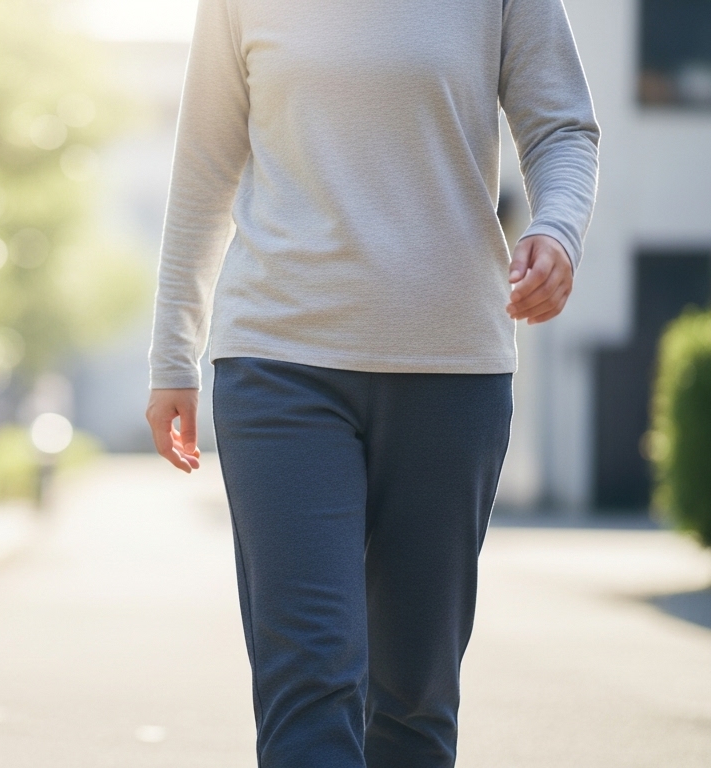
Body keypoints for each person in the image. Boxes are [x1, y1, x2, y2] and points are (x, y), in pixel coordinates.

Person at [143, 1, 599, 766]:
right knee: (309, 678)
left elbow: (561, 127)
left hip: (451, 371)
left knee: (414, 698)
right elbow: (204, 167)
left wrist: (557, 229)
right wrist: (171, 358)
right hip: (279, 363)